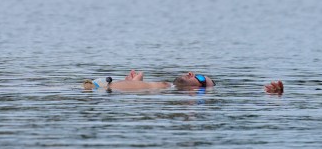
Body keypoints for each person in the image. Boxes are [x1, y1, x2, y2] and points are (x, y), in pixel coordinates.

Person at [83, 70, 284, 93]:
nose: (192, 73)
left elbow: (241, 95)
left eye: (201, 78)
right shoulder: (165, 86)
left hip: (94, 90)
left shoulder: (165, 90)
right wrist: (136, 81)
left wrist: (268, 93)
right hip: (95, 88)